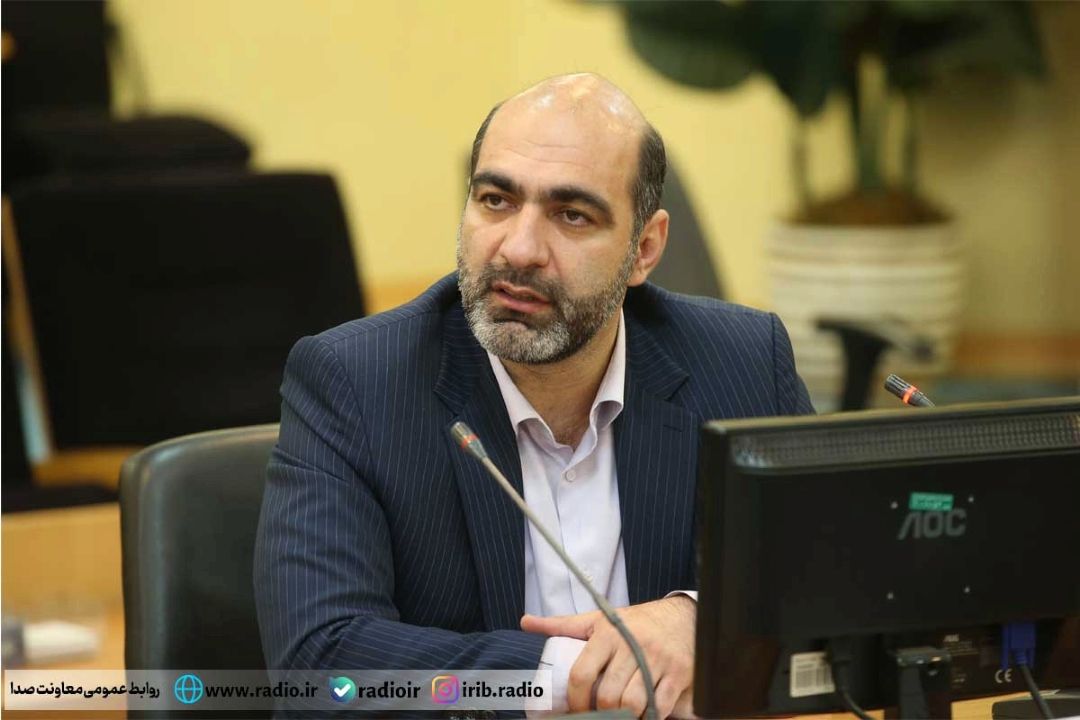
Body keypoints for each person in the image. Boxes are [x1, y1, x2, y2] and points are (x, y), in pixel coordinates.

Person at [254, 73, 813, 718]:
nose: (518, 250)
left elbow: (834, 579)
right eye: (495, 200)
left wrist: (696, 621)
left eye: (572, 215)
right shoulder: (354, 381)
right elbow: (321, 666)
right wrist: (578, 674)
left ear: (645, 249)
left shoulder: (744, 362)